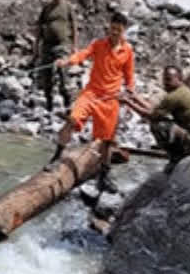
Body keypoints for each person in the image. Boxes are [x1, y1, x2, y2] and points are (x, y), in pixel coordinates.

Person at [52, 11, 135, 193]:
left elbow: (129, 76)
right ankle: (57, 156)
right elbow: (82, 54)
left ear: (124, 31)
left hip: (111, 99)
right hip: (91, 94)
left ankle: (104, 175)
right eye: (112, 29)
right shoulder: (98, 44)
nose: (113, 33)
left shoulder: (127, 51)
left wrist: (129, 92)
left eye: (118, 31)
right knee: (72, 119)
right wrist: (67, 61)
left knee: (106, 140)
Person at [122, 66, 190, 173]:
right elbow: (155, 110)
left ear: (179, 79)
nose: (165, 83)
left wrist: (127, 102)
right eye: (164, 79)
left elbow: (151, 115)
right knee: (160, 120)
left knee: (158, 125)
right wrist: (135, 97)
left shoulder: (175, 96)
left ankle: (177, 157)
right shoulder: (181, 92)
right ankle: (180, 154)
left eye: (169, 79)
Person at [34, 0, 77, 111]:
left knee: (63, 73)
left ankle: (67, 102)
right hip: (47, 45)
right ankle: (49, 104)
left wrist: (74, 46)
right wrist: (36, 47)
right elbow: (39, 28)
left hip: (62, 44)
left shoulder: (67, 7)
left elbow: (74, 26)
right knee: (46, 75)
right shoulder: (46, 8)